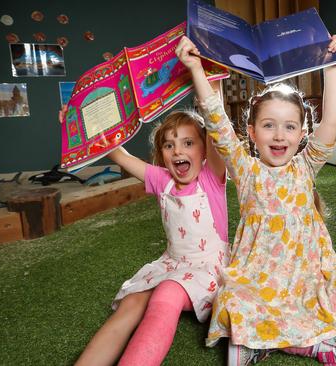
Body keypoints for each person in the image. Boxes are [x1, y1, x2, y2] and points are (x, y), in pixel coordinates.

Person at [176, 34, 336, 366]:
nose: (279, 135)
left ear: (302, 133)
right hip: (260, 276)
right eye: (268, 126)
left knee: (330, 295)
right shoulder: (246, 168)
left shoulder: (305, 166)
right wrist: (195, 70)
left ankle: (312, 342)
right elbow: (217, 123)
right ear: (251, 132)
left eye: (289, 127)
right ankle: (308, 343)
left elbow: (333, 119)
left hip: (307, 273)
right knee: (233, 300)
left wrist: (332, 65)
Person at [68, 80, 229, 366]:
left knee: (165, 295)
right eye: (169, 145)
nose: (178, 151)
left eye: (188, 143)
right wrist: (79, 122)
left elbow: (218, 124)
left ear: (205, 150)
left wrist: (211, 83)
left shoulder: (211, 177)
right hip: (171, 263)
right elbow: (117, 152)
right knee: (129, 306)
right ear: (162, 154)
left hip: (208, 266)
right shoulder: (161, 179)